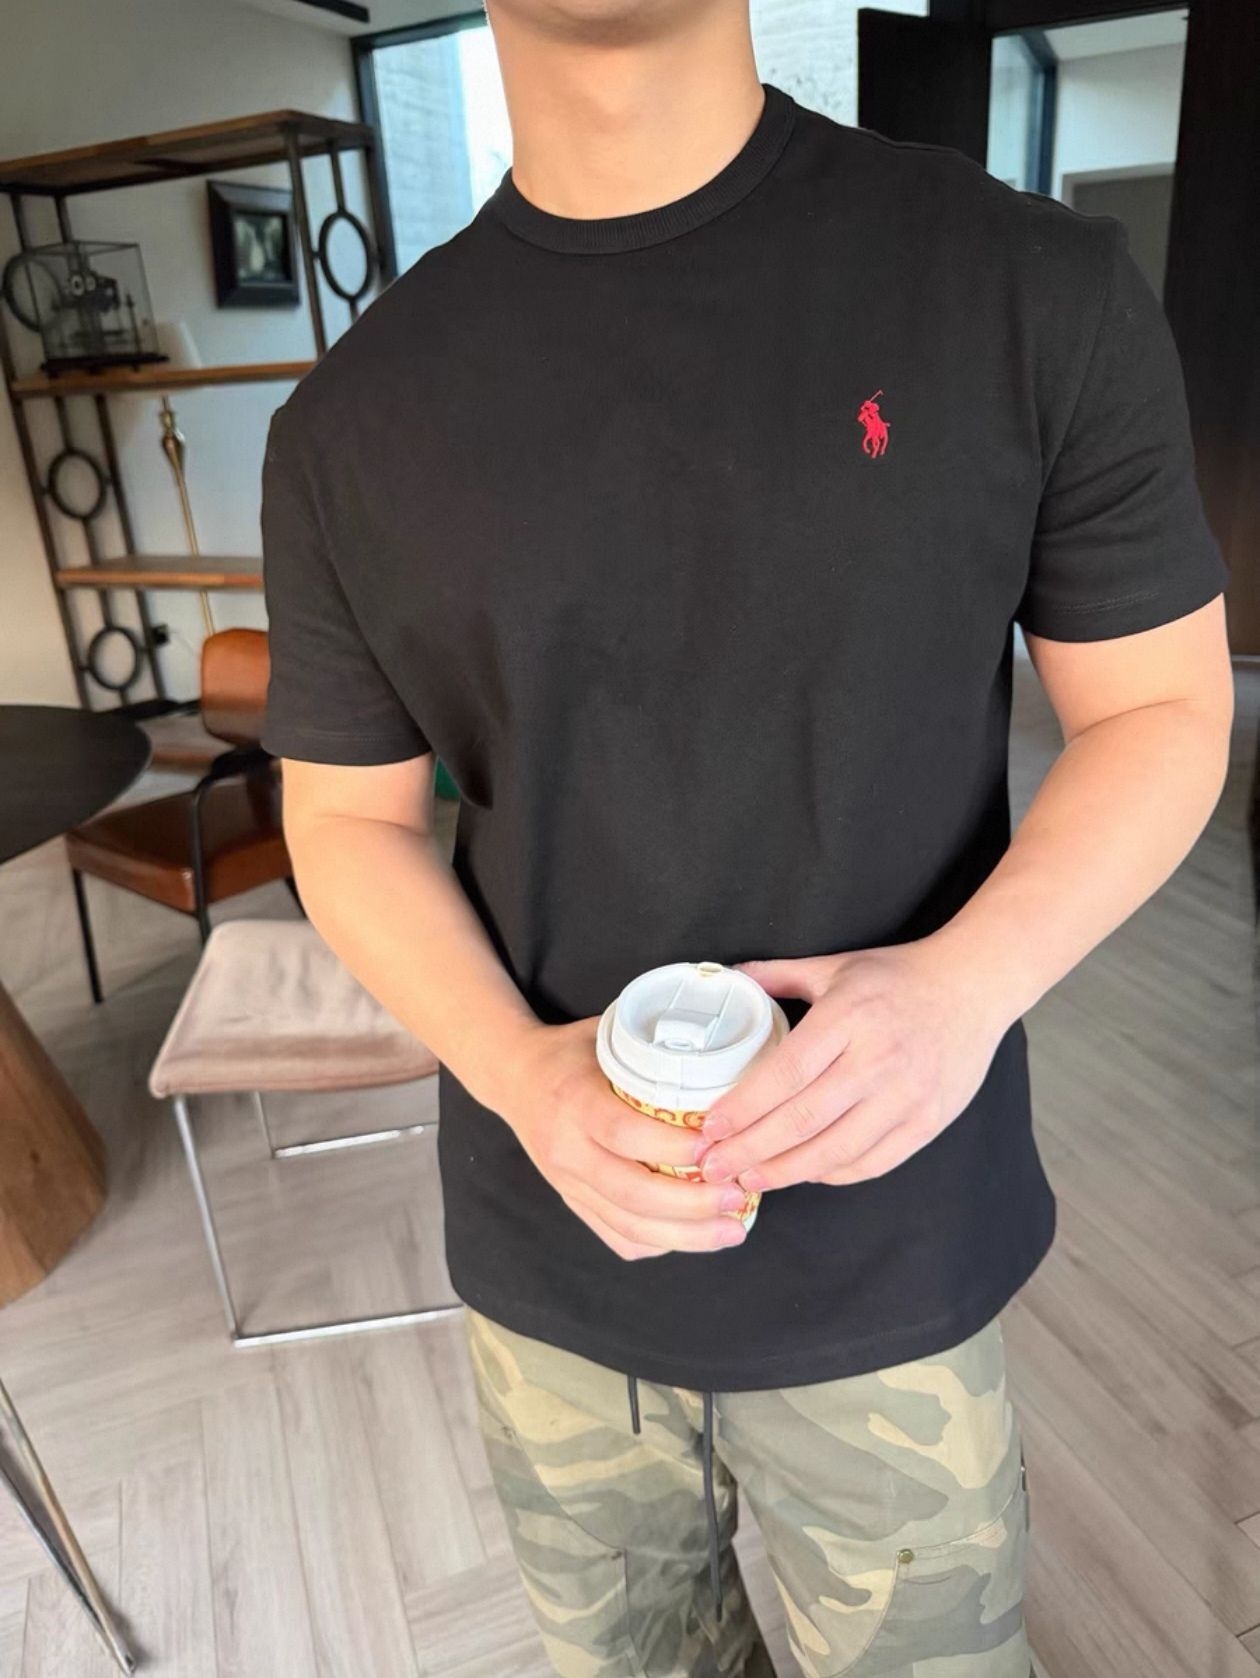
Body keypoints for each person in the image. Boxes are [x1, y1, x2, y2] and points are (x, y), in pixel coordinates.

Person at [259, 0, 1234, 1668]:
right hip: (555, 1240)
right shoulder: (349, 423)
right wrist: (520, 1072)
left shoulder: (1025, 287)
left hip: (890, 1240)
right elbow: (348, 818)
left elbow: (1160, 709)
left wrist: (963, 986)